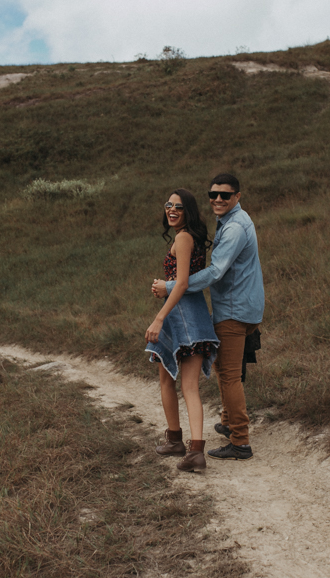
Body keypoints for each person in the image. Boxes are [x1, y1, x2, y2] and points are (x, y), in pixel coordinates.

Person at [153, 174, 264, 461]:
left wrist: (170, 286)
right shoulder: (231, 220)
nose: (217, 199)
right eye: (213, 194)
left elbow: (215, 272)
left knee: (228, 375)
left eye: (225, 195)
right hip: (242, 306)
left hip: (233, 309)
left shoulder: (234, 227)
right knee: (226, 369)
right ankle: (228, 422)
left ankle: (240, 441)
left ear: (237, 196)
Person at [145, 188, 219, 472]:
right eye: (168, 205)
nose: (171, 210)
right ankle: (176, 440)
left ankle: (195, 451)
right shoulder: (189, 237)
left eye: (178, 206)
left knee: (187, 386)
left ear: (188, 211)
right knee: (167, 379)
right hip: (186, 315)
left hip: (184, 317)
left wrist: (159, 317)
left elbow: (184, 283)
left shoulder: (184, 237)